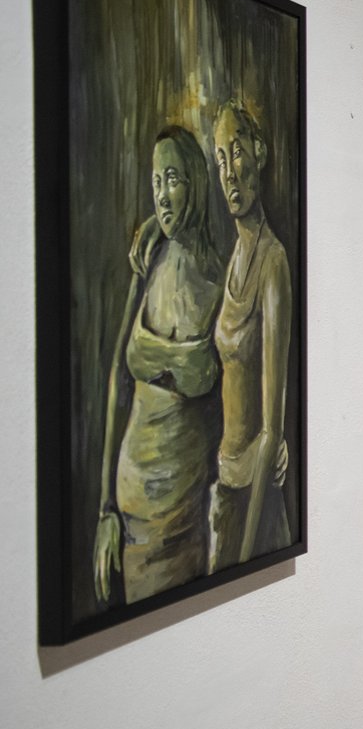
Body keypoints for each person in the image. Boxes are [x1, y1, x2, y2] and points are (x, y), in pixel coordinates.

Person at [93, 125, 225, 604]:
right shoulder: (148, 260)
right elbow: (119, 381)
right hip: (130, 513)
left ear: (196, 182)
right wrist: (106, 509)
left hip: (184, 517)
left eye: (173, 179)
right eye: (155, 181)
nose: (162, 195)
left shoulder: (220, 281)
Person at [209, 99, 294, 572]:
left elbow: (271, 429)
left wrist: (243, 554)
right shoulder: (234, 259)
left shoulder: (272, 262)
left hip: (255, 499)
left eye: (237, 152)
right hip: (226, 489)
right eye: (220, 158)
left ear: (259, 152)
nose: (229, 172)